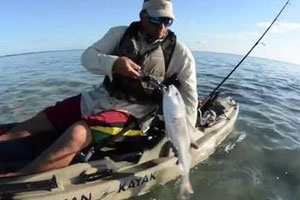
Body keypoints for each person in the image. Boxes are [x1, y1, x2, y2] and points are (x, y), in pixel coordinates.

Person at [0, 0, 198, 177]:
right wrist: (114, 63)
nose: (162, 27)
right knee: (44, 118)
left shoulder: (180, 53)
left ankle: (19, 176)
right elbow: (87, 57)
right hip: (100, 97)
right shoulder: (119, 34)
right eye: (157, 20)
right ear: (142, 16)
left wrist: (187, 132)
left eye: (168, 21)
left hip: (135, 113)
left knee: (78, 132)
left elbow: (189, 95)